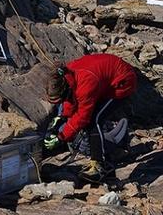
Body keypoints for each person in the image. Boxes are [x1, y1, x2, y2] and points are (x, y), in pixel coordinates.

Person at [44, 53, 138, 182]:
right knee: (91, 121)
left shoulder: (85, 84)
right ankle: (107, 162)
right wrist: (63, 116)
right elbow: (70, 99)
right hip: (103, 79)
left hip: (122, 81)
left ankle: (100, 165)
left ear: (65, 88)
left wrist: (62, 137)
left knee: (95, 120)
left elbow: (83, 116)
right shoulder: (66, 77)